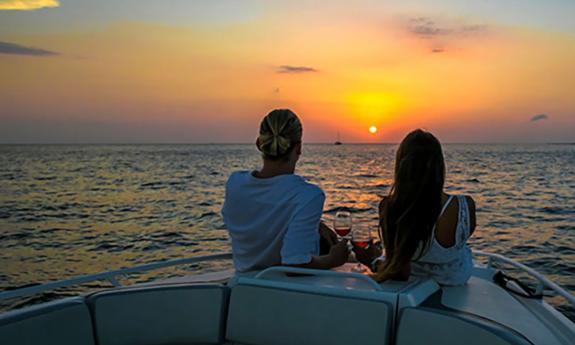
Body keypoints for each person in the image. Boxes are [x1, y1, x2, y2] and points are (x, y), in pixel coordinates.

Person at [222, 109, 348, 273]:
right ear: (299, 148)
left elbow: (266, 216)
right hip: (289, 292)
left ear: (259, 144)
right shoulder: (308, 196)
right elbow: (295, 262)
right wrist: (333, 259)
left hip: (243, 286)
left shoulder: (235, 183)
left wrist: (316, 225)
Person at [354, 129, 476, 285]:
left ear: (401, 166)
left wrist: (371, 260)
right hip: (456, 283)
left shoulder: (390, 207)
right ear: (439, 165)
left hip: (412, 286)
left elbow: (398, 272)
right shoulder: (464, 206)